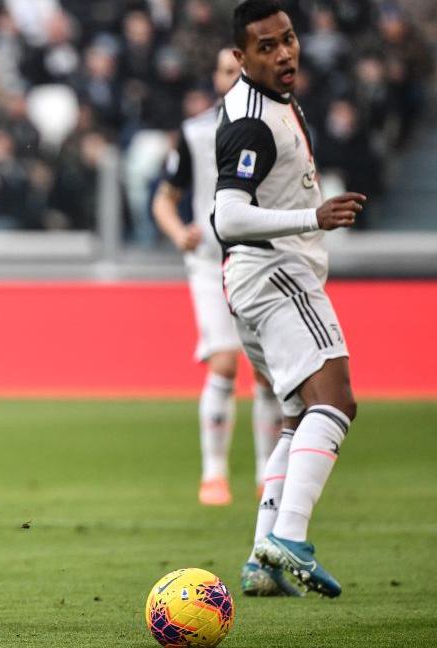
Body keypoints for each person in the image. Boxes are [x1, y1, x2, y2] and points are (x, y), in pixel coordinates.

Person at [214, 0, 364, 598]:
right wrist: (314, 217)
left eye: (289, 40)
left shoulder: (274, 100)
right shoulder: (251, 121)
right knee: (337, 400)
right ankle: (291, 537)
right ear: (240, 57)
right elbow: (228, 214)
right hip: (276, 273)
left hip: (252, 280)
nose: (284, 54)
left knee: (297, 417)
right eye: (267, 46)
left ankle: (261, 556)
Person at [152, 48, 284, 509]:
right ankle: (214, 474)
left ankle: (269, 475)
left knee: (268, 374)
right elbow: (164, 198)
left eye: (240, 73)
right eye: (227, 71)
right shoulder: (195, 132)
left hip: (262, 260)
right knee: (225, 363)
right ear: (215, 76)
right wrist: (177, 233)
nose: (233, 80)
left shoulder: (276, 124)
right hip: (211, 262)